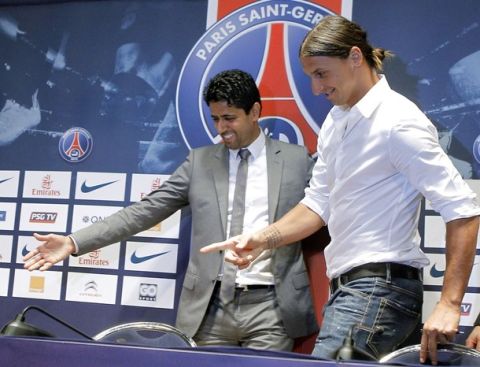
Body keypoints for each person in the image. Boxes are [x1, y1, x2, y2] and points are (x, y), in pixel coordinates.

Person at [200, 15, 480, 364]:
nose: (316, 88)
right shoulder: (337, 120)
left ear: (354, 58)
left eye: (321, 74)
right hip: (357, 291)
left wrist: (450, 304)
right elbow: (318, 204)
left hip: (377, 291)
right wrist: (262, 239)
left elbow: (463, 210)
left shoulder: (398, 122)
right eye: (311, 77)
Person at [23, 69, 318, 350]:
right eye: (215, 119)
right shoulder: (199, 162)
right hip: (208, 309)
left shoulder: (296, 160)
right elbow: (144, 211)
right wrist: (75, 242)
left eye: (229, 118)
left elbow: (322, 210)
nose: (221, 129)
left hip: (272, 307)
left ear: (255, 112)